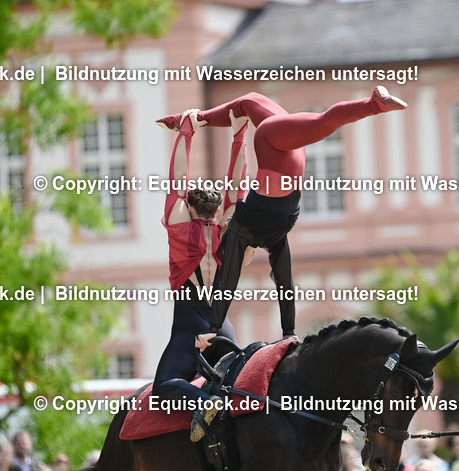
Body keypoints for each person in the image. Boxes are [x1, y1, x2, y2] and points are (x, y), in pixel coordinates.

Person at [157, 88, 407, 348]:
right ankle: (374, 105)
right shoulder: (229, 227)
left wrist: (288, 331)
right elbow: (235, 184)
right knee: (260, 106)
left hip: (289, 174)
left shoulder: (272, 239)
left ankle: (193, 118)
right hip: (272, 149)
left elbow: (281, 284)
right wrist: (230, 134)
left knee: (252, 102)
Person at [153, 111, 246, 441]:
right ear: (218, 209)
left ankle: (207, 404)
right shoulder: (230, 232)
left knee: (164, 386)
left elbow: (177, 180)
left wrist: (186, 131)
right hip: (224, 333)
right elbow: (237, 189)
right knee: (242, 387)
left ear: (189, 207)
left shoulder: (181, 230)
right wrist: (238, 136)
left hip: (190, 334)